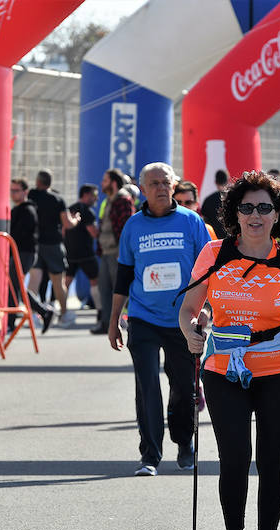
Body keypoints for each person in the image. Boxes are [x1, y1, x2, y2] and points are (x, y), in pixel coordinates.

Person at [178, 170, 280, 530]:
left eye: (265, 207)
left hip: (279, 368)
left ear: (278, 214)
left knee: (272, 464)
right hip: (224, 368)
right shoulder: (214, 253)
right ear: (234, 213)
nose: (256, 215)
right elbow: (189, 308)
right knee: (235, 461)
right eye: (247, 208)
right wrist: (190, 330)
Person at [107, 162, 211, 476]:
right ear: (143, 189)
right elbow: (123, 275)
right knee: (147, 386)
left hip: (183, 318)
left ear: (174, 184)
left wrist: (207, 309)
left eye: (166, 182)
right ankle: (149, 455)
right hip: (142, 318)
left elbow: (208, 271)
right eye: (154, 183)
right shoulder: (133, 226)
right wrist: (114, 321)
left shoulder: (192, 222)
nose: (161, 188)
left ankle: (184, 443)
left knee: (183, 387)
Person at [27, 169, 80, 326]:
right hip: (53, 244)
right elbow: (67, 223)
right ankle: (64, 315)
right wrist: (76, 219)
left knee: (34, 280)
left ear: (38, 182)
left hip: (36, 243)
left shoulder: (31, 196)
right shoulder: (57, 199)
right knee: (58, 282)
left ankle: (33, 316)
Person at [92, 168, 134, 335]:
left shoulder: (122, 200)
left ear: (114, 183)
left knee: (120, 289)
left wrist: (122, 252)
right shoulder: (110, 200)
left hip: (117, 253)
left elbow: (124, 228)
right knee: (105, 288)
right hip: (107, 252)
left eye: (105, 180)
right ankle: (106, 323)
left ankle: (124, 321)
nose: (102, 184)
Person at [8, 178, 53, 332]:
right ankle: (44, 311)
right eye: (11, 190)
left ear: (25, 192)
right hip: (19, 252)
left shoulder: (28, 210)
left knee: (13, 287)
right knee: (16, 286)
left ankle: (10, 323)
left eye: (16, 190)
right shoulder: (17, 210)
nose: (13, 193)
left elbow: (21, 234)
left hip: (24, 252)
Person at [64, 184, 101, 313]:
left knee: (66, 283)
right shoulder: (87, 212)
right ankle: (101, 312)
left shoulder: (70, 209)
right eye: (94, 196)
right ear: (86, 195)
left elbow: (63, 231)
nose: (96, 199)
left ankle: (62, 312)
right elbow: (94, 233)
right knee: (95, 281)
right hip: (86, 254)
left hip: (69, 253)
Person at [201, 169, 229, 238]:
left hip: (213, 239)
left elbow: (205, 221)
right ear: (227, 180)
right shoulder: (234, 198)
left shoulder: (208, 200)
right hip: (231, 239)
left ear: (215, 182)